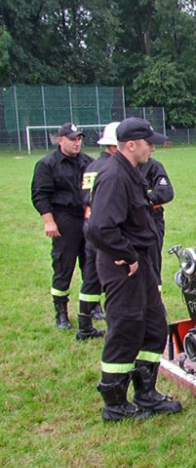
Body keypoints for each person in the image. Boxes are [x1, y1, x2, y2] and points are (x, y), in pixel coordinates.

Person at [88, 117, 182, 421]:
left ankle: (147, 394)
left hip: (139, 263)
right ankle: (114, 404)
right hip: (123, 266)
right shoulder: (114, 176)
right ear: (131, 145)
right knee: (126, 328)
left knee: (154, 326)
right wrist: (127, 255)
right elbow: (100, 228)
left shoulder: (132, 173)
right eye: (148, 142)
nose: (152, 147)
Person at [31, 123, 95, 332]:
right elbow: (40, 195)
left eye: (79, 139)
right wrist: (48, 220)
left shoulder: (88, 162)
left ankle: (92, 306)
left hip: (87, 219)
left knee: (91, 265)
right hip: (64, 220)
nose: (77, 143)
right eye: (72, 139)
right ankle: (61, 313)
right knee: (63, 267)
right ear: (60, 140)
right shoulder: (47, 164)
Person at [77, 123, 124, 341]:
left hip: (90, 225)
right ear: (115, 147)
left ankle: (84, 324)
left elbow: (85, 197)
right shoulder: (112, 169)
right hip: (106, 227)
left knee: (91, 276)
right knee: (115, 277)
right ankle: (118, 324)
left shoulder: (92, 166)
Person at [139, 156, 174, 290]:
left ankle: (154, 304)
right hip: (125, 222)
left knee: (152, 264)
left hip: (151, 219)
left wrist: (143, 199)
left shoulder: (153, 166)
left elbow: (166, 192)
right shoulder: (114, 168)